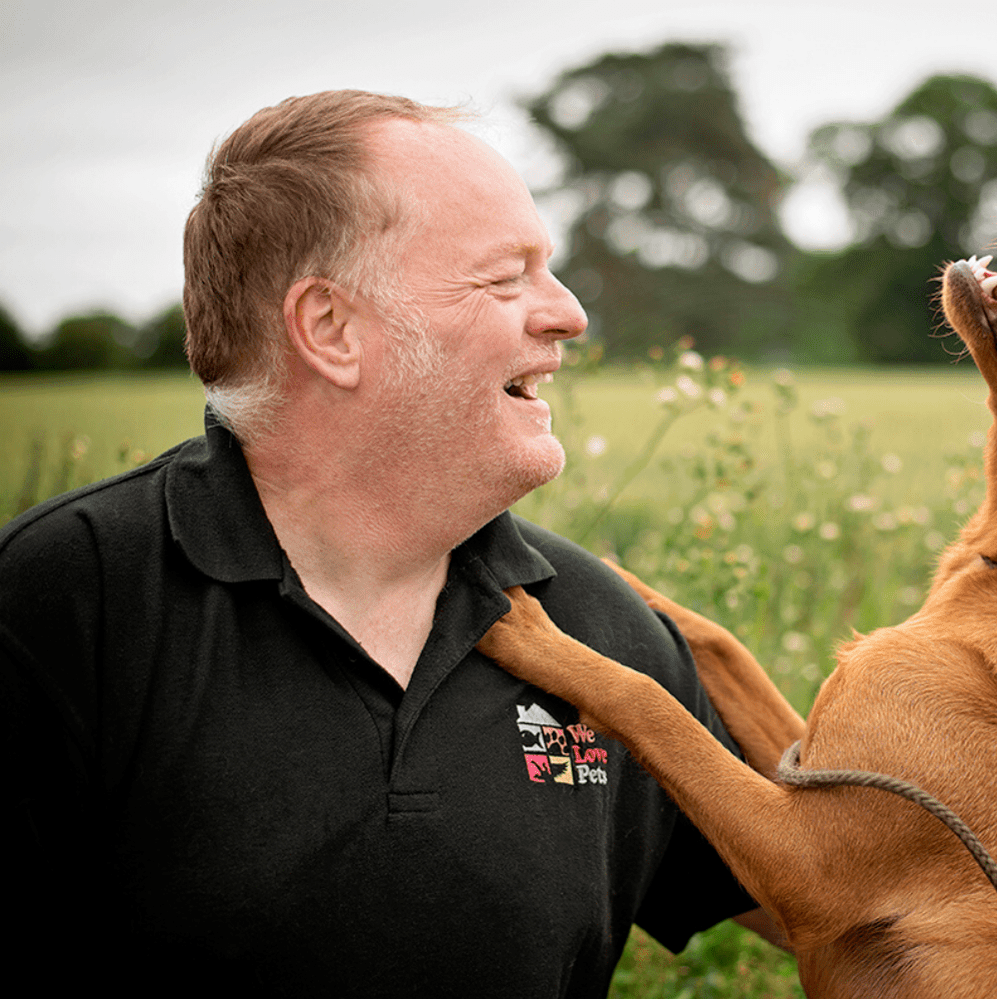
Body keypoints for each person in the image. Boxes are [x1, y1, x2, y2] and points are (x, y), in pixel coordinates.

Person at [0, 91, 764, 997]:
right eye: (504, 277)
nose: (567, 314)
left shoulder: (603, 633)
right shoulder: (64, 602)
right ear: (330, 329)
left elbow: (861, 906)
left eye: (546, 271)